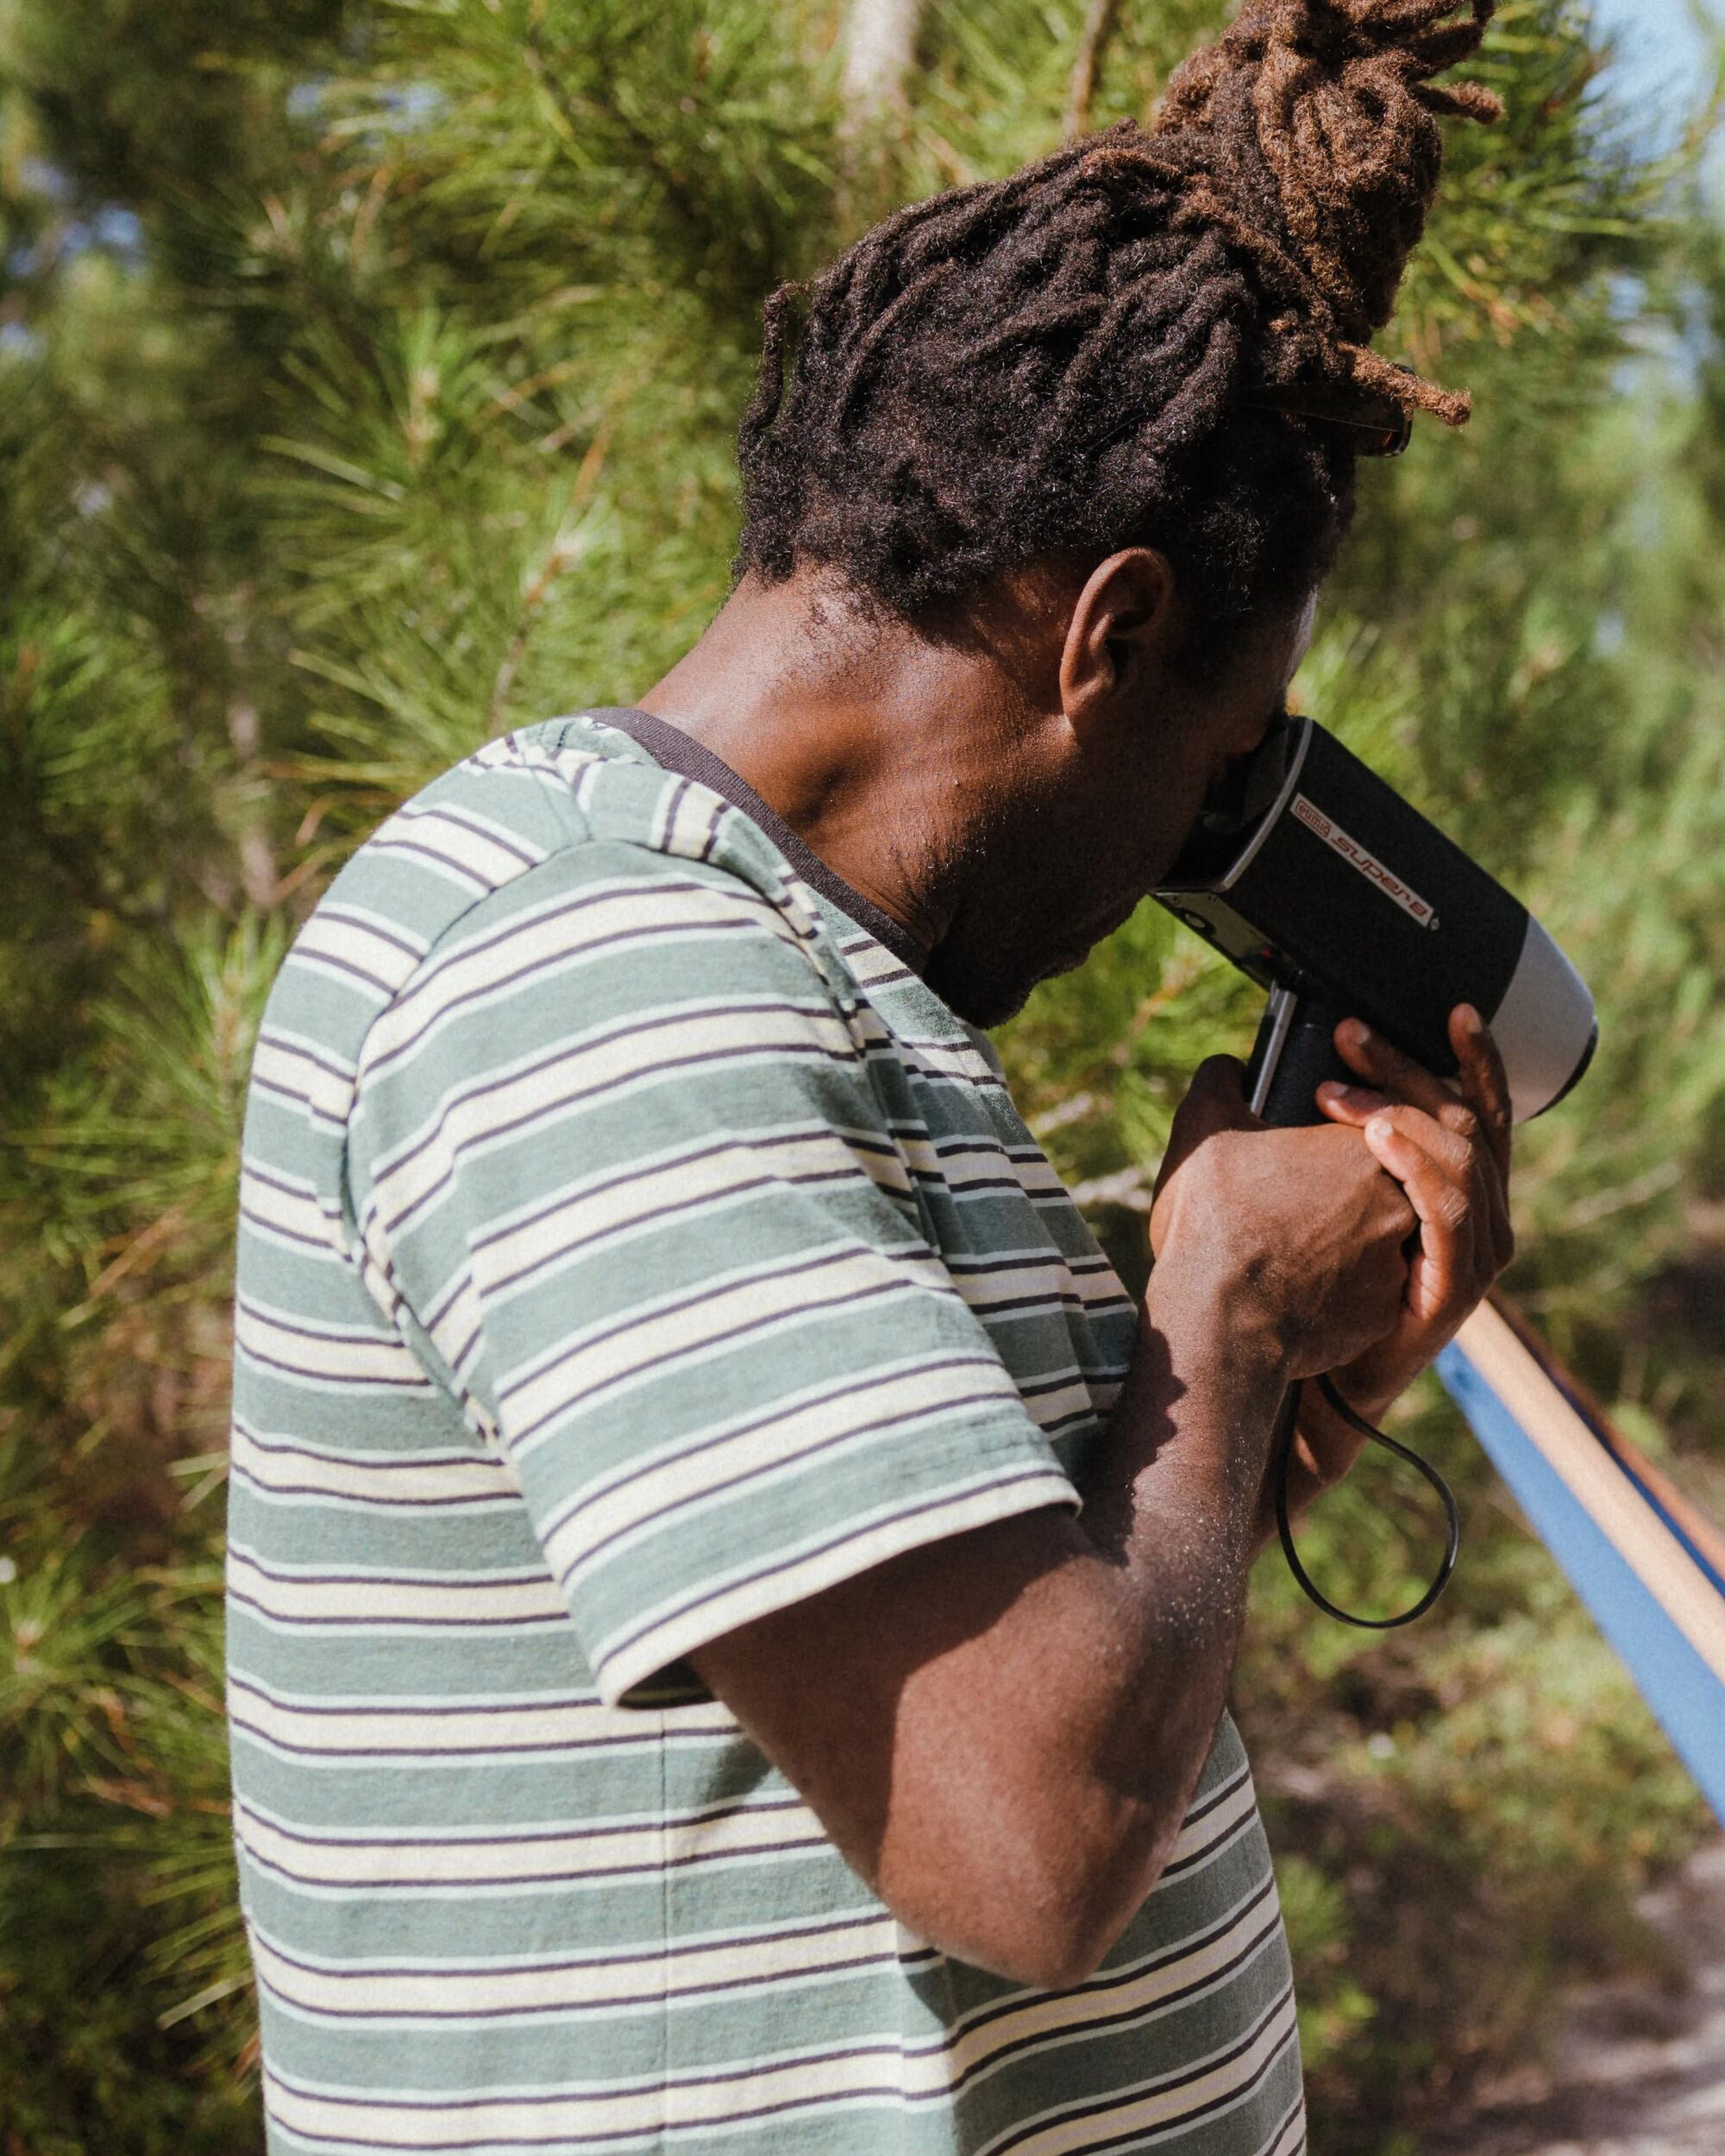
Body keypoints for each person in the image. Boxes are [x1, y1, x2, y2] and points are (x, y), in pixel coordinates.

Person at [226, 3, 1515, 2149]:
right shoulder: (603, 973)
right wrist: (1212, 1300)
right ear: (1102, 635)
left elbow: (1053, 1633)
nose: (1190, 862)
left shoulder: (783, 964)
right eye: (1210, 775)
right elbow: (1020, 1833)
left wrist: (1284, 1368)